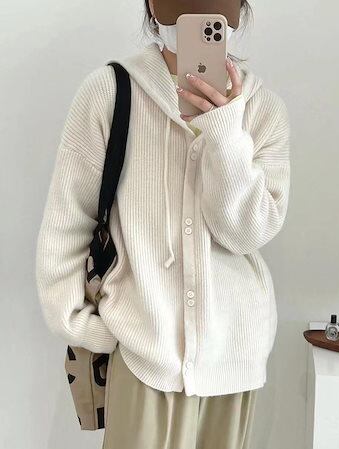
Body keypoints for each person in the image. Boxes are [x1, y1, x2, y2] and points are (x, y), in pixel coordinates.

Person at [35, 0, 291, 447]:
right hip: (142, 355)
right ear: (153, 6)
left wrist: (224, 131)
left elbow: (247, 234)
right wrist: (82, 325)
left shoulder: (263, 110)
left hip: (234, 358)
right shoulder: (110, 92)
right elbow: (68, 220)